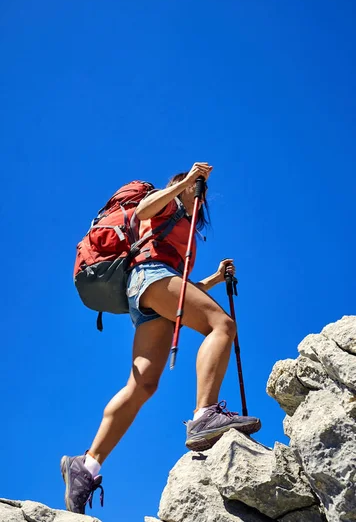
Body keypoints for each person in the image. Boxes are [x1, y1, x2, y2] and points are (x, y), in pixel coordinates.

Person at [61, 162, 261, 514]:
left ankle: (86, 465)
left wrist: (213, 279)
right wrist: (184, 181)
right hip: (149, 278)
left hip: (149, 290)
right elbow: (143, 210)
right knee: (222, 326)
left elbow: (181, 298)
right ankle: (205, 415)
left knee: (143, 385)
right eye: (192, 186)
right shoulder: (167, 202)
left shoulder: (180, 227)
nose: (199, 193)